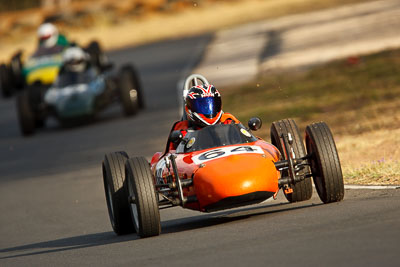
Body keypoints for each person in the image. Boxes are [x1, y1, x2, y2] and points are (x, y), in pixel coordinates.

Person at [168, 84, 240, 151]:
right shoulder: (182, 128)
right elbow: (170, 154)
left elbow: (245, 141)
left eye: (213, 104)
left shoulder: (228, 121)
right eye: (203, 107)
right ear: (189, 109)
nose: (208, 110)